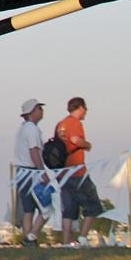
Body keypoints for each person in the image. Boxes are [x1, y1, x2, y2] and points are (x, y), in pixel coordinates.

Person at [54, 97, 103, 245]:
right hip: (77, 171)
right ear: (80, 108)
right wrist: (87, 145)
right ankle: (82, 237)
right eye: (85, 108)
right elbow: (75, 140)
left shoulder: (60, 124)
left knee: (69, 209)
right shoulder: (75, 123)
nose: (86, 112)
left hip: (62, 173)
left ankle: (66, 242)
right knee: (93, 205)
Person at [12, 97, 48, 244]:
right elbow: (34, 151)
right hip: (31, 172)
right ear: (32, 112)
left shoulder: (22, 129)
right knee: (47, 207)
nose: (42, 111)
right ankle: (32, 235)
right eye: (39, 108)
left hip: (21, 172)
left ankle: (27, 238)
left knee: (28, 209)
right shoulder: (32, 129)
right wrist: (41, 171)